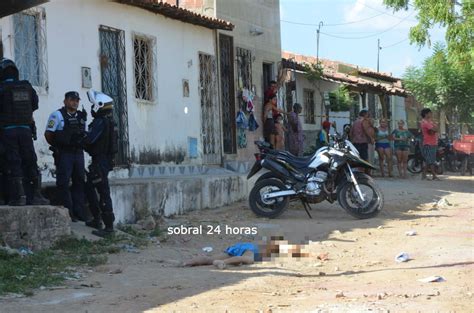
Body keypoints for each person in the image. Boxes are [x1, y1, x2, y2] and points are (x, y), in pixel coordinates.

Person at [0, 58, 49, 206]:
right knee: (30, 161)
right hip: (26, 130)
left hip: (8, 132)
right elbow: (34, 104)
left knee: (13, 162)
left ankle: (18, 196)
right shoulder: (27, 87)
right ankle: (35, 195)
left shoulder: (2, 88)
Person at [45, 91, 87, 221]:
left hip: (78, 153)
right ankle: (68, 212)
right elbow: (48, 134)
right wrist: (58, 146)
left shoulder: (81, 116)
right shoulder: (57, 115)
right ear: (65, 101)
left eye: (76, 100)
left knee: (79, 182)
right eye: (72, 100)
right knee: (63, 182)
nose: (75, 102)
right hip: (64, 153)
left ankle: (78, 212)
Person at [83, 90, 118, 237]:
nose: (92, 108)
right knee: (90, 188)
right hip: (104, 160)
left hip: (100, 161)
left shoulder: (100, 122)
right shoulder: (109, 121)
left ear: (99, 106)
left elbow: (89, 139)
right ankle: (97, 219)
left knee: (103, 192)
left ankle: (108, 227)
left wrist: (81, 137)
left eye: (93, 105)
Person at [182, 237, 309, 269]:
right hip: (249, 250)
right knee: (247, 259)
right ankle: (222, 262)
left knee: (209, 258)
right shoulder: (271, 249)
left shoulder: (262, 243)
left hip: (238, 246)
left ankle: (186, 262)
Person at [420, 108, 440, 180]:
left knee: (430, 160)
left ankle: (425, 175)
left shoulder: (430, 122)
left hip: (433, 142)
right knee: (429, 160)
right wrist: (435, 128)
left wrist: (435, 128)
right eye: (430, 113)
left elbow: (436, 129)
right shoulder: (424, 122)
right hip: (428, 143)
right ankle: (433, 175)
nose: (431, 114)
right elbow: (433, 130)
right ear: (426, 114)